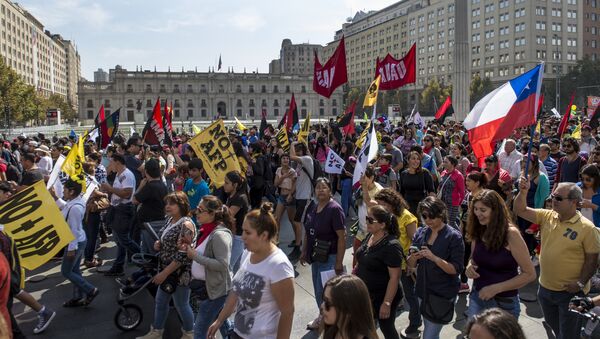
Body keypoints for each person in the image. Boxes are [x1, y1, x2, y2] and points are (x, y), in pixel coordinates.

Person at [514, 180, 600, 339]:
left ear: (574, 202)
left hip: (570, 294)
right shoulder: (548, 216)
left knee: (568, 334)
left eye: (559, 198)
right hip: (545, 289)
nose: (553, 200)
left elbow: (592, 261)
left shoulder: (587, 229)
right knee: (556, 328)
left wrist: (580, 283)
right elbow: (520, 210)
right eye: (553, 196)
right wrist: (523, 192)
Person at [207, 203, 295, 339]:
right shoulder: (247, 254)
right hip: (237, 333)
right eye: (243, 231)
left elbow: (287, 312)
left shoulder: (279, 265)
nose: (243, 237)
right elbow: (235, 293)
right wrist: (219, 320)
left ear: (264, 235)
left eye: (248, 232)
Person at [464, 190, 536, 319]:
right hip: (478, 297)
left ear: (495, 211)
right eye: (475, 209)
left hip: (504, 304)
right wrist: (470, 266)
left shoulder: (511, 234)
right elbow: (473, 258)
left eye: (483, 210)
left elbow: (529, 274)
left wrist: (496, 288)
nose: (477, 214)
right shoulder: (478, 228)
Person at [137, 191, 196, 339]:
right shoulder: (170, 220)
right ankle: (157, 331)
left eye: (172, 204)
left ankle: (190, 333)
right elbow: (167, 239)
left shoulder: (186, 224)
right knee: (161, 301)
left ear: (181, 205)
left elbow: (183, 255)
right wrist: (159, 243)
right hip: (167, 269)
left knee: (181, 305)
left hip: (179, 273)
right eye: (167, 203)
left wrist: (164, 273)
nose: (168, 206)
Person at [407, 196, 465, 339]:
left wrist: (434, 258)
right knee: (430, 330)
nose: (428, 220)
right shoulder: (421, 233)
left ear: (441, 213)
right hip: (422, 291)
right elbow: (410, 264)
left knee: (429, 335)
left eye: (431, 216)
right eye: (424, 216)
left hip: (441, 294)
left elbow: (455, 269)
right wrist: (413, 258)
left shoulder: (454, 237)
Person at [182, 195, 234, 339]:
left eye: (200, 210)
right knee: (221, 322)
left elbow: (222, 265)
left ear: (212, 214)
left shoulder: (219, 235)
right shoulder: (206, 229)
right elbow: (203, 252)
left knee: (199, 330)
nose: (196, 212)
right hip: (208, 289)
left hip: (214, 291)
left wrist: (195, 256)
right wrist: (190, 246)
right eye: (197, 209)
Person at [374, 189, 420, 339]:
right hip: (387, 265)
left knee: (410, 296)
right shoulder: (385, 217)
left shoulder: (407, 217)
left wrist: (411, 262)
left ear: (392, 203)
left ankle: (414, 324)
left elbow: (415, 241)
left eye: (383, 204)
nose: (381, 207)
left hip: (404, 265)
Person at [301, 177, 346, 330]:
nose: (320, 190)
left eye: (324, 187)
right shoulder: (313, 207)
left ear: (330, 190)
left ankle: (333, 322)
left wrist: (338, 262)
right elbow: (308, 231)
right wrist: (304, 251)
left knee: (328, 294)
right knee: (319, 292)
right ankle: (323, 317)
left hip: (330, 257)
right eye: (318, 187)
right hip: (315, 257)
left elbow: (341, 237)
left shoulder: (335, 209)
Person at [355, 205, 403, 339]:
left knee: (386, 327)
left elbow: (395, 278)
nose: (367, 222)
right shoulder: (371, 235)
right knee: (365, 327)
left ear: (382, 225)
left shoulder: (392, 246)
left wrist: (386, 303)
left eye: (370, 220)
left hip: (383, 295)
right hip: (367, 294)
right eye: (366, 218)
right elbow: (362, 259)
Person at [57, 179, 100, 307]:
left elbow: (74, 230)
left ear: (72, 191)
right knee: (75, 270)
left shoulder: (75, 208)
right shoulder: (74, 202)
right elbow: (65, 207)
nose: (63, 191)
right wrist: (55, 197)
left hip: (75, 242)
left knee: (66, 271)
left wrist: (71, 249)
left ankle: (90, 290)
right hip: (79, 241)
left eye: (65, 189)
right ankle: (77, 297)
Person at [101, 153, 140, 276]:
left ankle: (144, 257)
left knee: (124, 239)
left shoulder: (126, 175)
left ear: (117, 162)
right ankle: (118, 266)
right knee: (120, 240)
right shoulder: (119, 174)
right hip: (118, 209)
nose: (109, 165)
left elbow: (126, 194)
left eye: (111, 162)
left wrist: (109, 189)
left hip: (124, 210)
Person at [320, 274, 379, 339]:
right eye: (323, 299)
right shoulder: (331, 330)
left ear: (348, 309)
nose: (322, 306)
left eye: (328, 303)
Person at [515, 154, 550, 254]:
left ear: (534, 164)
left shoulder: (541, 177)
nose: (523, 164)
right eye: (522, 162)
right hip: (521, 210)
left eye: (526, 162)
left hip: (533, 211)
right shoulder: (522, 175)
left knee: (531, 237)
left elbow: (544, 197)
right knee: (523, 235)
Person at [133, 159, 168, 254]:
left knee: (150, 250)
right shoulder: (163, 185)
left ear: (147, 171)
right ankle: (146, 267)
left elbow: (135, 200)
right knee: (149, 248)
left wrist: (140, 186)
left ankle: (150, 268)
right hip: (159, 221)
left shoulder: (150, 186)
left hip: (149, 224)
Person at [289, 141, 315, 261]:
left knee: (298, 222)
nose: (297, 153)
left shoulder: (307, 159)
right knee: (300, 222)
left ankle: (299, 248)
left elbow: (291, 156)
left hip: (306, 197)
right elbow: (297, 181)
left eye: (299, 150)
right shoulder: (300, 165)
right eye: (296, 150)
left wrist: (292, 144)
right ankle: (303, 246)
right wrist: (291, 193)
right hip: (299, 196)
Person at [223, 170, 249, 273]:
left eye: (226, 183)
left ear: (235, 185)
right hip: (235, 235)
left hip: (238, 237)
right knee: (238, 267)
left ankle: (228, 288)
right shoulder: (232, 196)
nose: (224, 185)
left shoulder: (239, 198)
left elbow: (229, 215)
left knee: (229, 266)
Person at [399, 151, 435, 216]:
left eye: (418, 159)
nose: (416, 161)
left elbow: (431, 191)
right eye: (413, 158)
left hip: (422, 206)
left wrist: (431, 206)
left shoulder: (425, 172)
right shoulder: (403, 174)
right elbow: (401, 192)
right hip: (407, 207)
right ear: (408, 160)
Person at [273, 153, 297, 240]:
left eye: (287, 158)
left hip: (290, 197)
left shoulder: (292, 171)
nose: (286, 160)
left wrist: (290, 195)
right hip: (281, 197)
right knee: (276, 219)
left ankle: (297, 240)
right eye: (284, 158)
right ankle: (276, 240)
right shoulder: (278, 170)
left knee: (292, 220)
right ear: (281, 160)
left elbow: (295, 185)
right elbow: (275, 184)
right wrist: (283, 176)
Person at [439, 156, 466, 229]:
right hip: (442, 203)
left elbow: (462, 192)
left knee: (450, 223)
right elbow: (440, 186)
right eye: (444, 161)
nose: (443, 163)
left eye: (446, 162)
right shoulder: (443, 173)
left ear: (453, 164)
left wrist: (458, 204)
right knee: (443, 222)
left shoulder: (458, 175)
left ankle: (457, 237)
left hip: (452, 204)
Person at [183, 158, 210, 223]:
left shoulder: (204, 188)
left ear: (201, 170)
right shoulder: (188, 182)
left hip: (196, 222)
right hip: (185, 218)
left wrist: (189, 212)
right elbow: (183, 196)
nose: (191, 172)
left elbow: (203, 207)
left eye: (194, 170)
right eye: (189, 170)